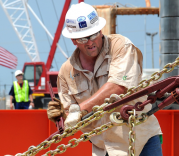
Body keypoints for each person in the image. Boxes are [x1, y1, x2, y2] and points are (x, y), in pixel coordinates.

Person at [47, 2, 162, 156]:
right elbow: (72, 119)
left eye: (93, 35)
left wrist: (80, 110)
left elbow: (118, 86)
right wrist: (62, 115)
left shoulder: (121, 46)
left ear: (100, 30)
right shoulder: (66, 72)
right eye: (82, 39)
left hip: (142, 140)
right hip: (104, 149)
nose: (90, 42)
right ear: (73, 40)